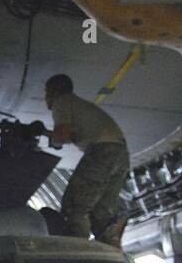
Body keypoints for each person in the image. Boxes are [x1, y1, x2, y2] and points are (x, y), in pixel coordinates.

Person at [44, 74, 131, 247]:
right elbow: (71, 135)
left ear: (53, 91)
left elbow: (62, 136)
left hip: (102, 151)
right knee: (100, 211)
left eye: (46, 92)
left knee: (75, 206)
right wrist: (49, 135)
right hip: (120, 153)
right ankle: (111, 250)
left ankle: (78, 249)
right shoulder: (78, 105)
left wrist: (51, 139)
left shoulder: (61, 102)